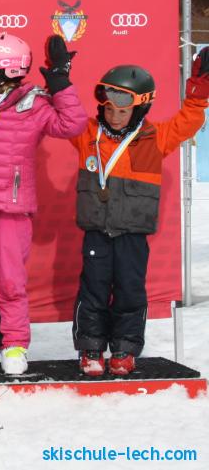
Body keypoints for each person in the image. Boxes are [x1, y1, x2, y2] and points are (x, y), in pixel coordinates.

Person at [0, 33, 87, 376]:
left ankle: (14, 345)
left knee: (10, 280)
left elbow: (72, 123)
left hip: (14, 207)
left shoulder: (33, 107)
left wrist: (60, 81)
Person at [72, 49, 209, 376]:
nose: (115, 116)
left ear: (140, 108)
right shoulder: (88, 134)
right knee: (93, 290)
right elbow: (66, 114)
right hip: (97, 232)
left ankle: (125, 349)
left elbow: (189, 120)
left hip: (132, 235)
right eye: (109, 108)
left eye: (123, 110)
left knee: (130, 290)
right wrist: (60, 80)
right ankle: (91, 348)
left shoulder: (156, 138)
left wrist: (199, 90)